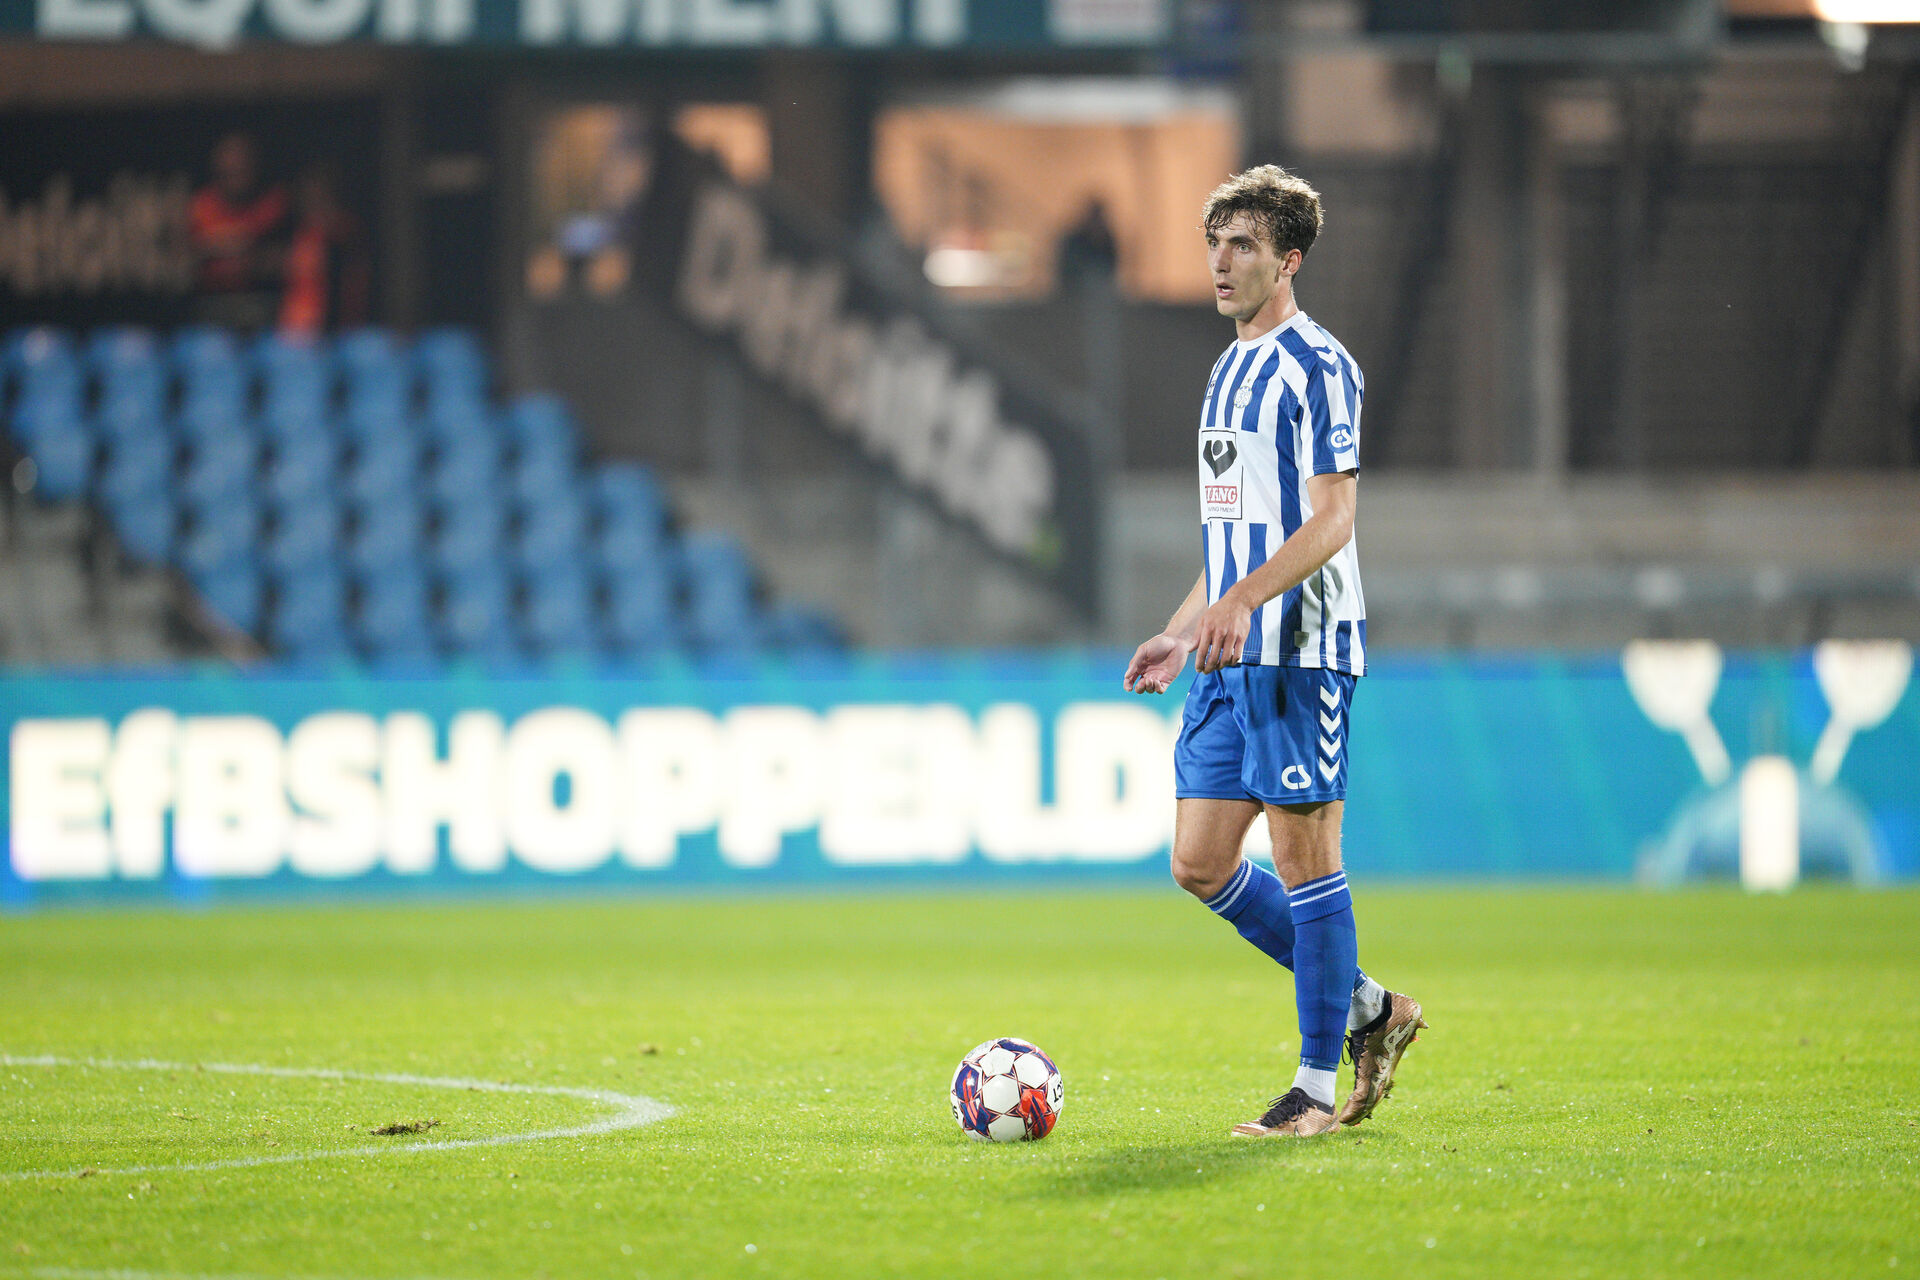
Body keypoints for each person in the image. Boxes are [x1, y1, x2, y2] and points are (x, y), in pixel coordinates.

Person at [1123, 165, 1424, 1138]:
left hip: (1301, 644)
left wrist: (1248, 600)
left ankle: (1312, 1086)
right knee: (1200, 861)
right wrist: (1183, 625)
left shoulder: (1318, 364)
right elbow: (1232, 536)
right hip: (1229, 645)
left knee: (1304, 858)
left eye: (1243, 243)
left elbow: (1334, 516)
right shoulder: (1227, 368)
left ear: (1289, 258)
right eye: (1215, 241)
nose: (1221, 260)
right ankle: (1373, 1006)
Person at [187, 132, 288, 332]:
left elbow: (280, 258)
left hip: (263, 302)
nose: (236, 172)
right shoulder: (201, 205)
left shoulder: (273, 203)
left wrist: (219, 245)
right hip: (213, 304)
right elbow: (190, 251)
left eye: (242, 168)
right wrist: (237, 245)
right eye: (230, 170)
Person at [279, 160, 371, 336]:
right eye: (309, 196)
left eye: (321, 195)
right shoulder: (296, 235)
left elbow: (354, 288)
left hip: (339, 332)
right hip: (296, 332)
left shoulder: (345, 233)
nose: (314, 201)